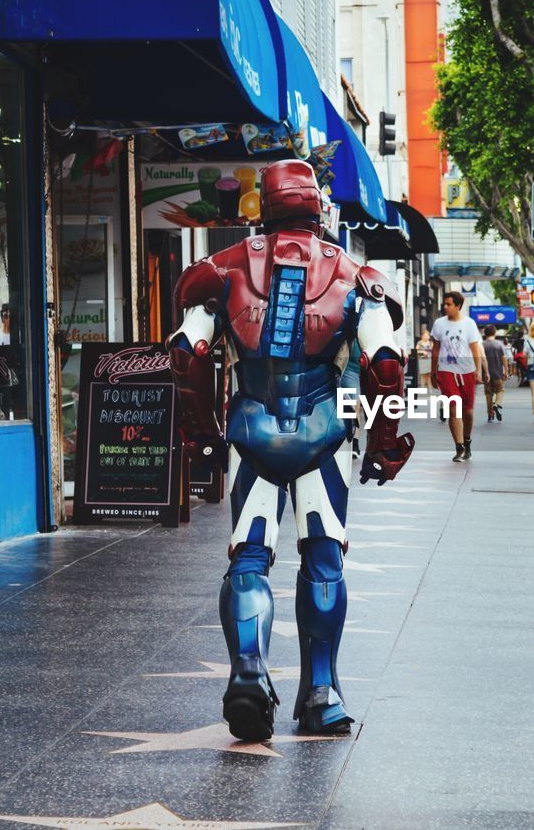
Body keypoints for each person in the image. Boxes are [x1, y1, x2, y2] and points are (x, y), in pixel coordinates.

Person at [167, 160, 414, 740]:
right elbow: (385, 363)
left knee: (250, 557)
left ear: (266, 205)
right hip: (324, 435)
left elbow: (188, 352)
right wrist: (385, 440)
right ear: (317, 206)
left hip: (251, 434)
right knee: (324, 561)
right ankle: (321, 692)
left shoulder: (221, 269)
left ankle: (249, 670)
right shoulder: (357, 276)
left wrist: (201, 435)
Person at [431, 292, 487, 461]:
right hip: (446, 370)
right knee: (453, 407)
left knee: (468, 411)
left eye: (449, 304)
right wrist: (433, 371)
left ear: (458, 306)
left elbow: (475, 348)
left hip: (467, 371)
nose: (445, 307)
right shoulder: (439, 324)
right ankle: (459, 447)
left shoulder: (469, 324)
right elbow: (435, 349)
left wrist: (478, 370)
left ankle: (467, 440)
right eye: (444, 304)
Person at [481, 324, 507, 423]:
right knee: (500, 390)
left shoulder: (482, 345)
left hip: (486, 374)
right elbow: (503, 359)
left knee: (488, 394)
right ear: (495, 332)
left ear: (485, 333)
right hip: (498, 373)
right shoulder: (499, 344)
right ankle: (497, 403)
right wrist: (506, 371)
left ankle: (490, 415)